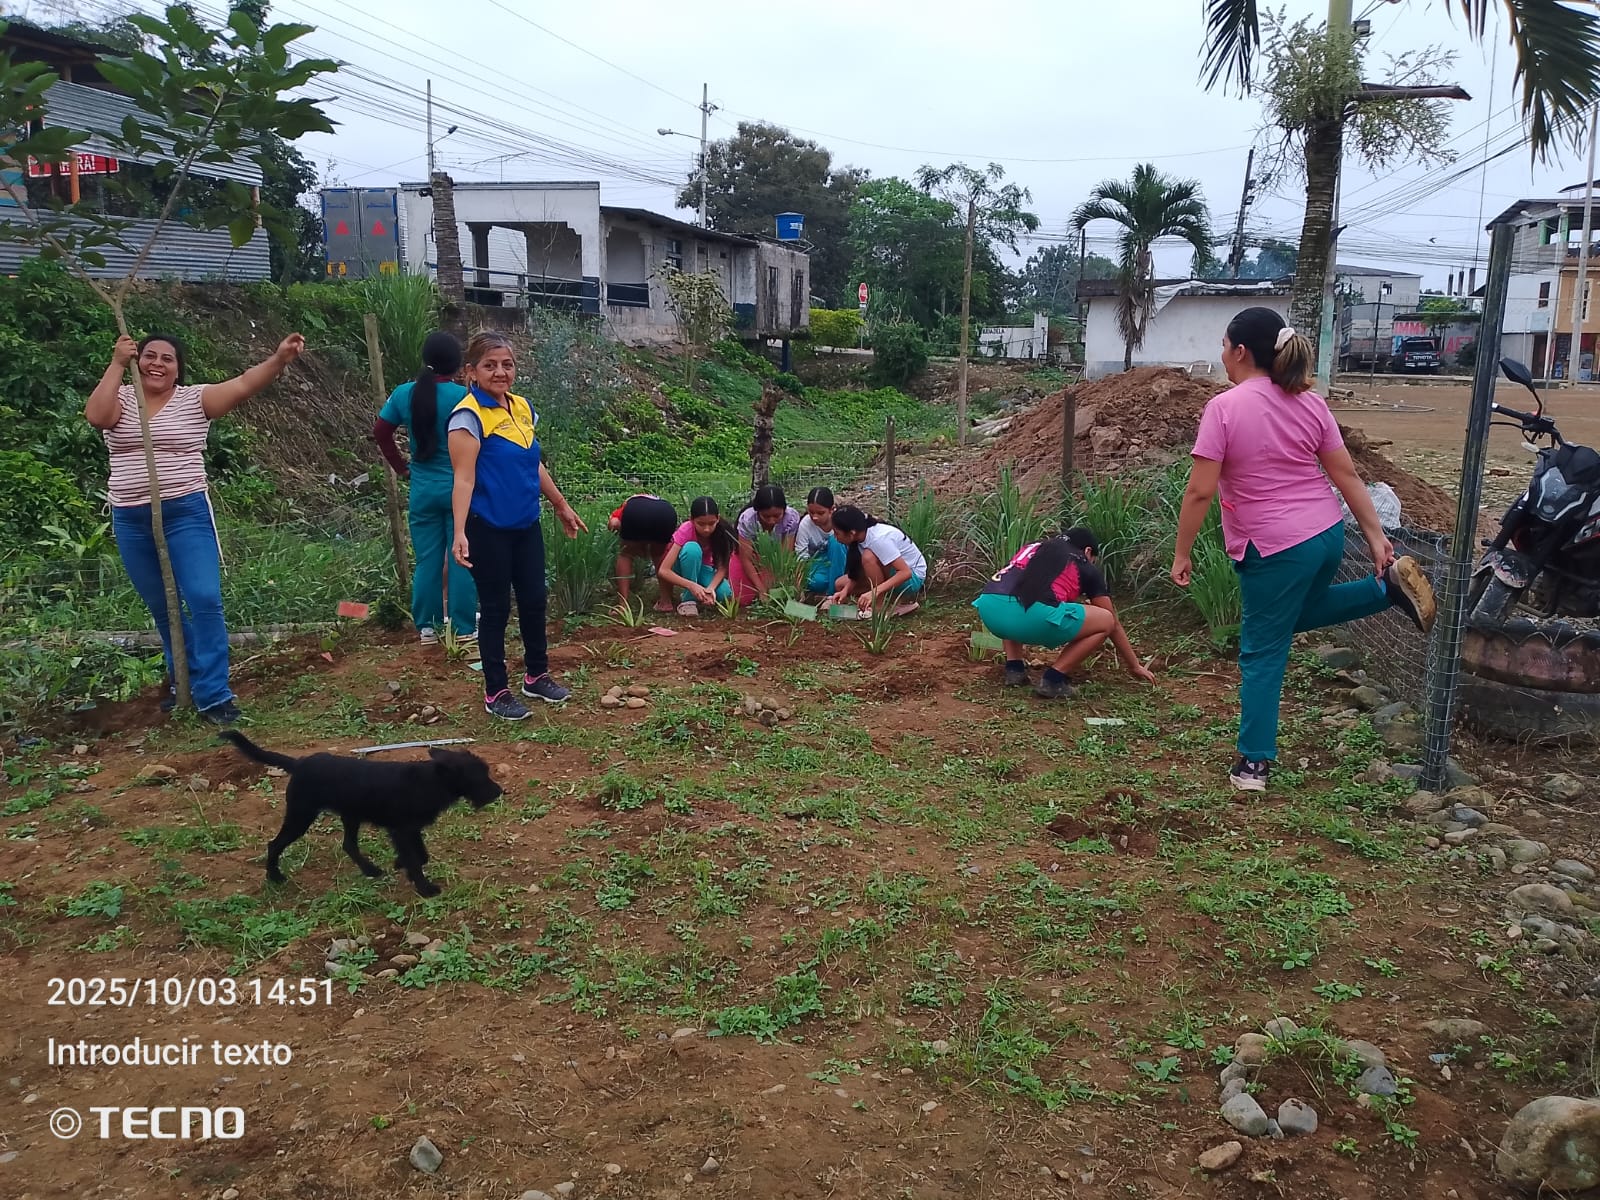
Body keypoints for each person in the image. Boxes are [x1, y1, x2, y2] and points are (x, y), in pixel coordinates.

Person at [1171, 307, 1436, 792]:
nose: (1222, 354)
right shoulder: (1309, 402)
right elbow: (1346, 475)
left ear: (1241, 351)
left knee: (1262, 651)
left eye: (1224, 346)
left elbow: (1199, 492)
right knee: (1291, 617)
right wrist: (1375, 536)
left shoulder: (1224, 408)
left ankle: (1254, 763)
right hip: (1325, 535)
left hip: (1273, 548)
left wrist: (1181, 552)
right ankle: (1386, 591)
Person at [87, 331, 304, 725]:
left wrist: (278, 360)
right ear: (137, 360)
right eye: (149, 356)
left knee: (204, 598)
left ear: (178, 369)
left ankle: (214, 694)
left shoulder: (193, 400)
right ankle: (183, 681)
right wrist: (117, 364)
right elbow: (97, 417)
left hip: (184, 513)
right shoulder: (122, 397)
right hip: (131, 518)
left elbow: (243, 384)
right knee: (163, 606)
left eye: (167, 359)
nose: (156, 364)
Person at [448, 332, 585, 721]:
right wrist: (460, 531)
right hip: (487, 526)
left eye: (506, 364)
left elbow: (532, 463)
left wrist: (560, 505)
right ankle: (496, 691)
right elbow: (463, 479)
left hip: (525, 523)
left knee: (534, 599)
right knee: (495, 609)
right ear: (471, 372)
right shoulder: (467, 417)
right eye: (489, 365)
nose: (500, 372)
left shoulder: (522, 407)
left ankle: (536, 675)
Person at [374, 331, 477, 646]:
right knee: (463, 557)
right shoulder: (465, 397)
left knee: (428, 560)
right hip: (461, 489)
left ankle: (428, 629)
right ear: (458, 364)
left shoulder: (404, 393)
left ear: (425, 359)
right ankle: (463, 628)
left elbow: (381, 432)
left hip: (422, 488)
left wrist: (401, 467)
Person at [973, 528, 1154, 699]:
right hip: (1030, 617)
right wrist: (1135, 666)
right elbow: (1113, 622)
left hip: (989, 608)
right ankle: (1053, 680)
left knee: (1018, 599)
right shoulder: (1082, 562)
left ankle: (1014, 669)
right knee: (1106, 620)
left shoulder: (1034, 547)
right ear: (1088, 551)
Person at [828, 505, 926, 613]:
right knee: (840, 585)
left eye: (837, 533)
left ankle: (878, 607)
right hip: (891, 573)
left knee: (868, 556)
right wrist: (845, 591)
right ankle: (881, 599)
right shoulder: (860, 537)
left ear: (852, 533)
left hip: (912, 580)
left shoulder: (878, 539)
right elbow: (858, 571)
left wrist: (874, 592)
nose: (835, 537)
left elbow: (906, 573)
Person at [657, 496, 740, 616]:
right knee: (692, 549)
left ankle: (700, 593)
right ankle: (688, 600)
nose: (706, 529)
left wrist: (710, 589)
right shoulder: (686, 530)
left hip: (702, 567)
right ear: (692, 519)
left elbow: (722, 567)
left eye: (711, 523)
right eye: (701, 524)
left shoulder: (723, 532)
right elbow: (664, 571)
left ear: (718, 518)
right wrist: (691, 586)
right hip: (681, 565)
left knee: (724, 594)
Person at [608, 493, 679, 612]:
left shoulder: (624, 506)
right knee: (659, 555)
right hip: (665, 513)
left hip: (636, 514)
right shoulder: (655, 500)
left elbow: (614, 523)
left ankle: (623, 605)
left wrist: (624, 536)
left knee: (626, 554)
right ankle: (666, 601)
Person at [735, 483, 802, 602]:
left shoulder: (790, 518)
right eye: (766, 516)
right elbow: (746, 558)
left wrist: (780, 579)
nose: (772, 521)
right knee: (744, 598)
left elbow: (785, 554)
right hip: (754, 557)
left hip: (775, 558)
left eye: (777, 516)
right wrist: (761, 589)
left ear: (784, 510)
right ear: (757, 512)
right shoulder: (748, 520)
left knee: (775, 587)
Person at [797, 485, 847, 596]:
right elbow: (802, 554)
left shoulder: (840, 521)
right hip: (820, 563)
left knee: (836, 541)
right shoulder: (805, 524)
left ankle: (833, 592)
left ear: (831, 510)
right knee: (814, 581)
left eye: (820, 513)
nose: (815, 517)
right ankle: (836, 581)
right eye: (811, 512)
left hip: (841, 559)